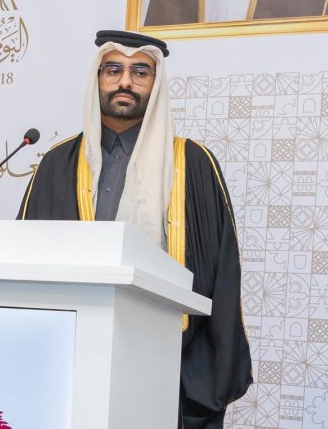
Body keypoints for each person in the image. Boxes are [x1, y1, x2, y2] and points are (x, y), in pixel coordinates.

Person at [18, 30, 252, 428]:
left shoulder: (192, 163)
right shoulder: (57, 164)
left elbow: (223, 274)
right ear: (97, 79)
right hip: (69, 359)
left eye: (140, 72)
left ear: (155, 84)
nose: (125, 81)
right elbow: (25, 260)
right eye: (113, 70)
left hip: (167, 364)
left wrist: (207, 377)